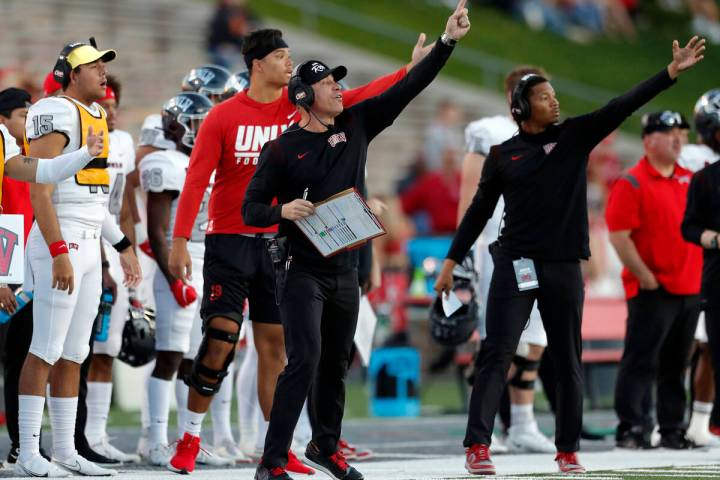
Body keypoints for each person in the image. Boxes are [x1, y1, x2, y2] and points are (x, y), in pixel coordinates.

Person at [166, 24, 435, 475]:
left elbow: (369, 93)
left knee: (277, 349)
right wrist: (178, 241)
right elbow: (196, 180)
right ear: (257, 65)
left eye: (291, 55)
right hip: (229, 239)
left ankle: (282, 447)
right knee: (221, 339)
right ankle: (191, 435)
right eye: (281, 56)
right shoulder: (222, 116)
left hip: (281, 247)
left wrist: (414, 65)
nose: (289, 61)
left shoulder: (301, 113)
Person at [434, 36, 705, 475]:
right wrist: (450, 263)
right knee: (497, 351)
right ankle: (478, 446)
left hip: (561, 266)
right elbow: (478, 212)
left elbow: (623, 104)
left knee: (566, 357)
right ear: (522, 107)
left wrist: (670, 73)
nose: (554, 101)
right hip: (516, 261)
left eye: (554, 94)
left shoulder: (575, 136)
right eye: (544, 97)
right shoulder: (502, 154)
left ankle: (567, 449)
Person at [243, 3, 471, 479]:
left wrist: (447, 44)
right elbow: (251, 209)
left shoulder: (356, 123)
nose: (338, 87)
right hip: (301, 267)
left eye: (338, 81)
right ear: (304, 94)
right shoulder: (281, 148)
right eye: (329, 83)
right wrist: (282, 211)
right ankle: (272, 460)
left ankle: (326, 447)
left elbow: (410, 88)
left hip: (344, 265)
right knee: (303, 360)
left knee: (336, 364)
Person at [17, 39, 141, 477]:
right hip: (61, 236)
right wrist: (57, 252)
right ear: (71, 73)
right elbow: (41, 189)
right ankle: (30, 452)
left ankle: (66, 450)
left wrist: (123, 248)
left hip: (90, 237)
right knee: (45, 347)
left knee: (75, 352)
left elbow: (96, 201)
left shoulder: (97, 116)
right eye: (93, 65)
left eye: (105, 64)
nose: (103, 72)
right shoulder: (54, 110)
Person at [458, 65, 555, 454]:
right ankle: (484, 425)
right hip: (496, 248)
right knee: (497, 339)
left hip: (538, 251)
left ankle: (524, 424)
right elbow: (469, 193)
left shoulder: (552, 137)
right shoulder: (490, 132)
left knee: (533, 340)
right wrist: (462, 253)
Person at [606, 111, 703, 450]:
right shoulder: (632, 181)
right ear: (648, 140)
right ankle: (632, 426)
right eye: (669, 133)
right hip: (652, 287)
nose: (678, 139)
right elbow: (619, 235)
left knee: (677, 363)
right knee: (642, 359)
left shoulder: (691, 179)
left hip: (690, 286)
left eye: (682, 133)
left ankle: (672, 428)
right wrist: (645, 277)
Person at [83, 76, 140, 463]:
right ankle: (76, 436)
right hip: (87, 244)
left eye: (115, 103)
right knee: (77, 350)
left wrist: (130, 254)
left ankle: (97, 434)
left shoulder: (122, 142)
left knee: (108, 346)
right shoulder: (80, 138)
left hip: (116, 247)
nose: (112, 110)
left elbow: (125, 205)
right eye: (105, 103)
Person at [682, 89, 720, 445]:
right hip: (692, 266)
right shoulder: (696, 160)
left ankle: (701, 421)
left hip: (699, 265)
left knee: (705, 347)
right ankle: (691, 420)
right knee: (697, 347)